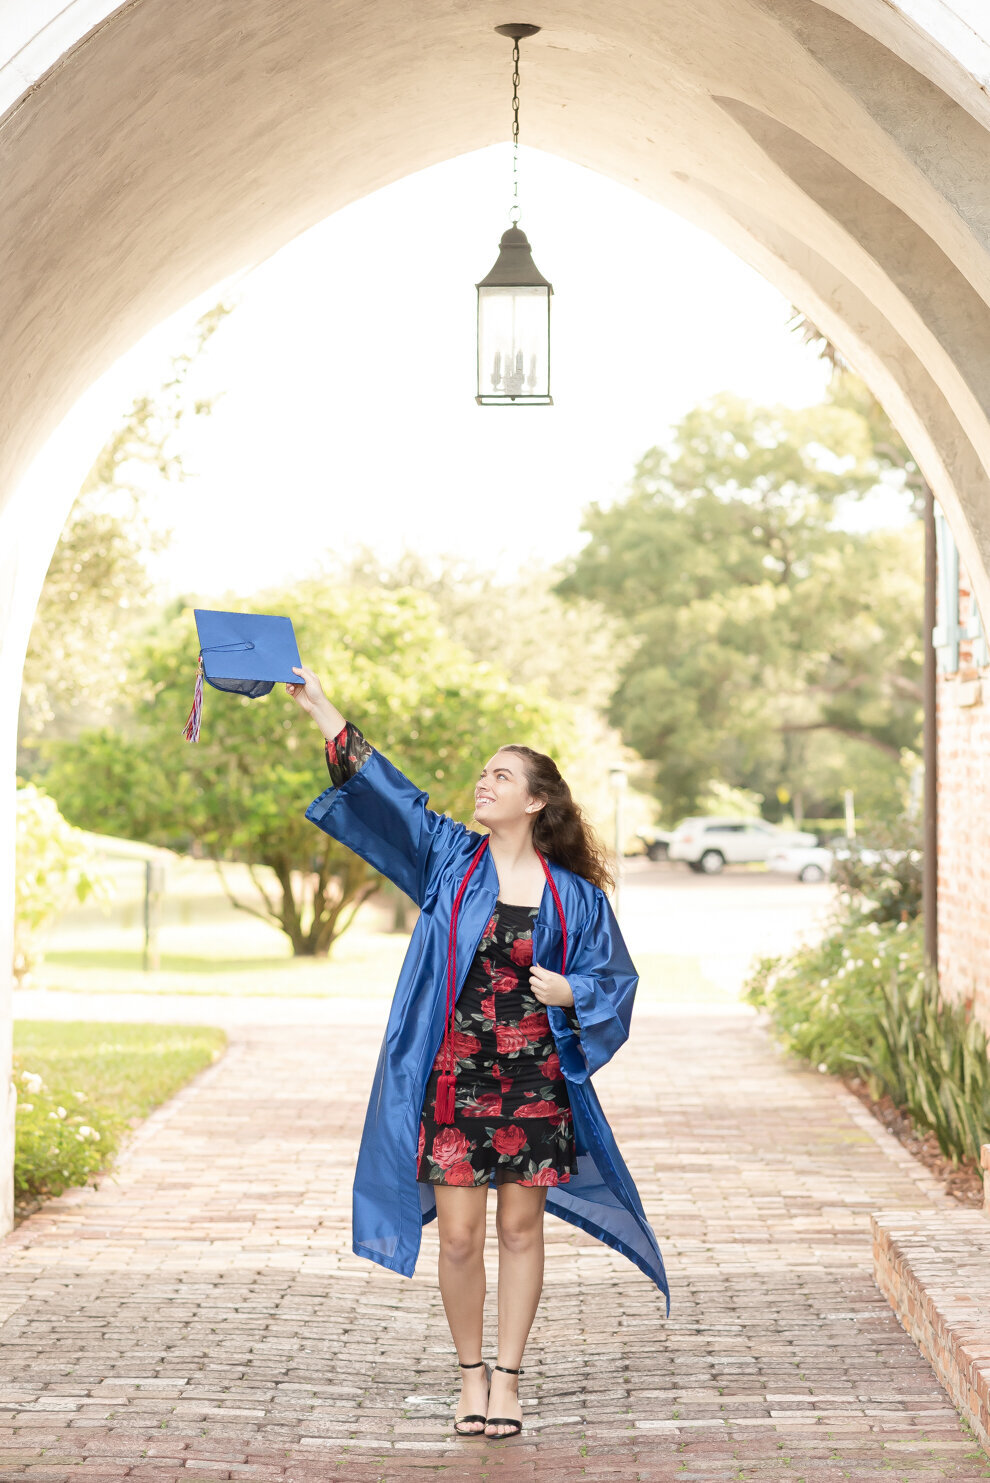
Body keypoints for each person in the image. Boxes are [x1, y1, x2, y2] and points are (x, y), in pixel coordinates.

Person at [287, 665, 668, 1440]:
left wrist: (571, 994)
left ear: (536, 801)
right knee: (458, 1235)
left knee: (521, 1230)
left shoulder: (576, 895)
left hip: (532, 1081)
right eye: (482, 772)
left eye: (501, 775)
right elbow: (391, 796)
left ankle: (511, 1379)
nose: (482, 781)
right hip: (453, 1074)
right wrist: (323, 709)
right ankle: (469, 1375)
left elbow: (616, 983)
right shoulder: (448, 860)